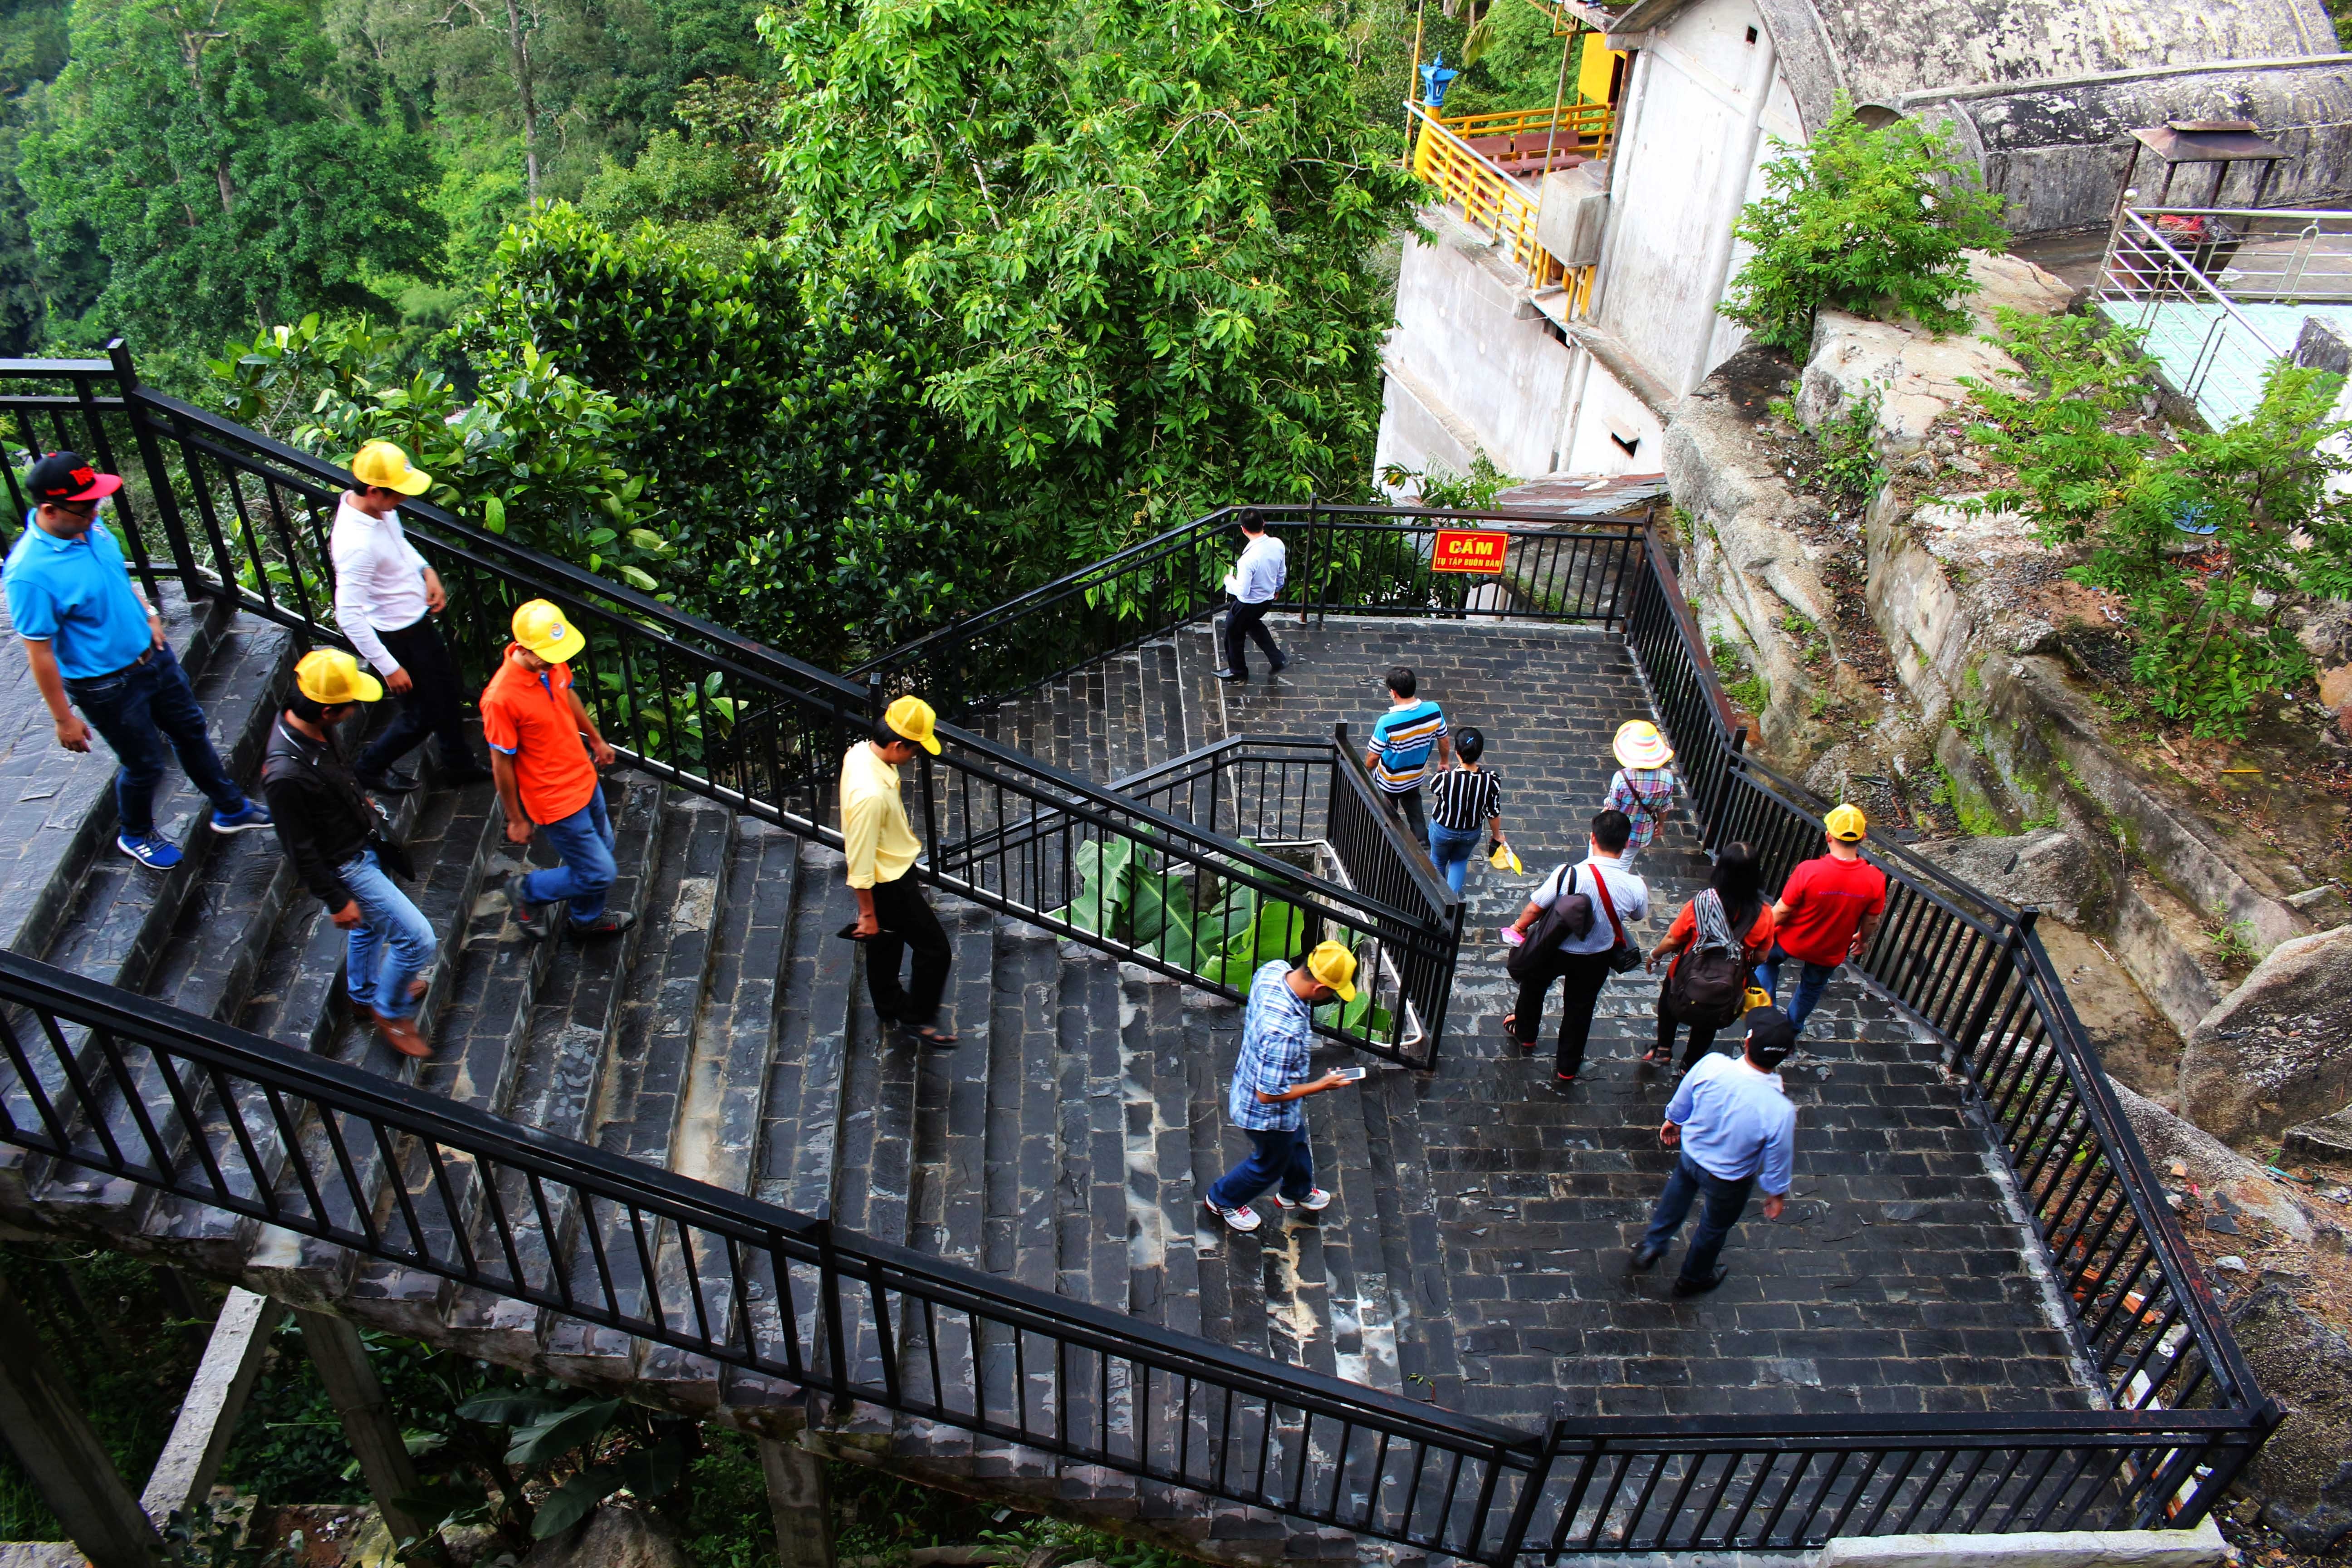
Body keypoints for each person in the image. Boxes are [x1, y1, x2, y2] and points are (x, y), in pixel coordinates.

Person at [4, 450, 271, 870]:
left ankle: (231, 807)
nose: (96, 511)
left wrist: (147, 613)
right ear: (50, 509)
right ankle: (135, 833)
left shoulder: (90, 529)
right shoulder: (29, 574)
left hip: (154, 659)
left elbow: (116, 577)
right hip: (106, 685)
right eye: (87, 505)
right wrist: (62, 719)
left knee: (191, 731)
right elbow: (39, 651)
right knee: (144, 763)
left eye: (97, 501)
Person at [262, 649, 436, 1058]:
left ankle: (364, 993)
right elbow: (298, 848)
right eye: (351, 705)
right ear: (326, 711)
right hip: (347, 864)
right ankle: (390, 1011)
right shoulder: (285, 775)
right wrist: (337, 899)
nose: (356, 709)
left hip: (361, 838)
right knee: (417, 940)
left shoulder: (313, 726)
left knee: (371, 926)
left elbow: (335, 773)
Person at [331, 440, 492, 795]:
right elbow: (348, 613)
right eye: (397, 494)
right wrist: (388, 666)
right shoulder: (355, 545)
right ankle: (369, 766)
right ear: (374, 491)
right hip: (398, 637)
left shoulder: (379, 511)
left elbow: (399, 543)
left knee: (448, 693)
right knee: (421, 715)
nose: (403, 500)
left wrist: (426, 571)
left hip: (416, 623)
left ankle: (459, 763)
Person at [482, 599, 637, 941]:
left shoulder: (550, 663)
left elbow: (567, 697)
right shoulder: (500, 700)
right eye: (548, 654)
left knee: (605, 846)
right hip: (554, 800)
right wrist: (516, 818)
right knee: (598, 873)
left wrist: (595, 740)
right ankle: (528, 891)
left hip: (584, 778)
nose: (557, 659)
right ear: (524, 649)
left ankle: (586, 918)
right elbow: (501, 763)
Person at [1631, 1007, 1798, 1295]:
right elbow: (1778, 1158)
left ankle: (1651, 1245)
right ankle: (1693, 1277)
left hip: (1692, 1155)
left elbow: (1684, 1097)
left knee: (1676, 1197)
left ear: (1747, 1042)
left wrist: (1674, 1120)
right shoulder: (1780, 1110)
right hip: (1730, 1176)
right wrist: (1775, 1192)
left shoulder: (1712, 1065)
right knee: (1714, 1227)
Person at [1203, 942, 1362, 1234]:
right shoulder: (1283, 1034)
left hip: (1259, 1089)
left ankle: (1297, 1190)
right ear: (1319, 989)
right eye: (1333, 993)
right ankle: (1222, 1199)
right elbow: (1268, 1095)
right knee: (1269, 1165)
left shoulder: (1273, 971)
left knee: (1296, 1140)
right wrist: (1322, 1085)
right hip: (1265, 1115)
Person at [1499, 809, 1648, 1083]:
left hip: (1555, 949)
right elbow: (1638, 915)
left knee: (1533, 987)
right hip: (1597, 956)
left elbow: (1536, 908)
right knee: (1580, 1009)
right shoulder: (1635, 886)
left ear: (1592, 838)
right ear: (1627, 844)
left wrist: (1519, 929)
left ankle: (1526, 1034)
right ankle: (1567, 1066)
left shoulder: (1568, 875)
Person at [843, 695, 958, 1048]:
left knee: (887, 941)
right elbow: (860, 865)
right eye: (914, 750)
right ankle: (918, 1019)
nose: (915, 757)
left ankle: (888, 1004)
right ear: (896, 745)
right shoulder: (872, 796)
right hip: (889, 882)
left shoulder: (859, 753)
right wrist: (866, 913)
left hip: (890, 871)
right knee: (935, 951)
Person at [1755, 804, 1888, 1034]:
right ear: (1863, 837)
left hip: (1792, 939)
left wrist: (1759, 930)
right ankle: (1792, 1027)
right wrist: (1863, 940)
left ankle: (1767, 1017)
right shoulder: (1875, 879)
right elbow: (1871, 921)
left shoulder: (1809, 870)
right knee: (1812, 987)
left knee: (1767, 960)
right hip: (1830, 949)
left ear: (1828, 836)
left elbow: (1783, 910)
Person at [1644, 841, 1774, 1074]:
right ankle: (1690, 1064)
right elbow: (1762, 956)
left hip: (1686, 973)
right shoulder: (1763, 913)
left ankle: (1664, 1048)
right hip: (1730, 981)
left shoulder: (1701, 904)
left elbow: (1673, 939)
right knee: (1710, 1020)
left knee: (1669, 1000)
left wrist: (1654, 955)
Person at [1363, 666, 1451, 842]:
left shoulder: (1387, 723)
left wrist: (1364, 772)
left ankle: (1388, 842)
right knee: (1414, 805)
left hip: (1390, 781)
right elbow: (1444, 739)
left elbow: (1373, 757)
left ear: (1393, 693)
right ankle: (1422, 841)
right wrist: (1444, 761)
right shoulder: (1434, 710)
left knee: (1387, 813)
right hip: (1416, 775)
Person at [1424, 725, 1506, 898]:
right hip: (1471, 831)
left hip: (1443, 829)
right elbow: (1493, 812)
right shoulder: (1491, 781)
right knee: (1459, 862)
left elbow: (1434, 788)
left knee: (1438, 860)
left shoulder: (1446, 779)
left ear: (1457, 752)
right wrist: (1497, 835)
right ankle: (1451, 903)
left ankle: (1438, 898)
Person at [1213, 509, 1288, 682]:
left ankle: (1237, 671)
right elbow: (1281, 572)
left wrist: (1228, 581)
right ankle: (1278, 660)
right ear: (1264, 524)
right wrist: (1278, 589)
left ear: (1243, 529)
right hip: (1267, 600)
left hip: (1248, 604)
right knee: (1254, 626)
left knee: (1233, 632)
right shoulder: (1278, 544)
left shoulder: (1248, 560)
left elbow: (1243, 592)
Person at [1601, 719, 1676, 870]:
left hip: (1615, 830)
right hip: (1640, 833)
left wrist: (1599, 826)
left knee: (1600, 861)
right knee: (1624, 865)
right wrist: (1660, 825)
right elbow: (1664, 808)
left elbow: (1612, 808)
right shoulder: (1667, 778)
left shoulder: (1622, 778)